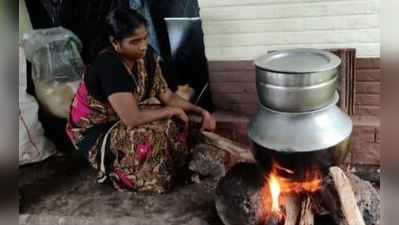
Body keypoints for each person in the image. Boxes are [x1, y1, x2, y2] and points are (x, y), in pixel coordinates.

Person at [66, 8, 216, 193]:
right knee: (154, 135)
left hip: (127, 112)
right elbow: (132, 119)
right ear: (115, 43)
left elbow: (167, 96)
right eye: (135, 41)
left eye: (145, 38)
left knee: (183, 120)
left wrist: (201, 111)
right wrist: (170, 111)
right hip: (98, 130)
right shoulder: (109, 66)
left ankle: (177, 165)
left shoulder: (147, 56)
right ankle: (126, 173)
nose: (143, 45)